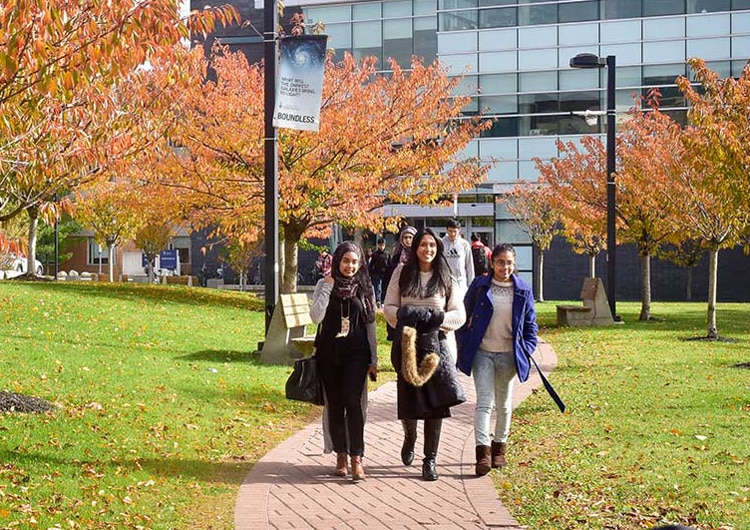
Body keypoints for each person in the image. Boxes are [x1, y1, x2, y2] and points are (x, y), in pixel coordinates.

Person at [383, 228, 466, 481]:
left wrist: (437, 319)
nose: (427, 249)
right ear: (415, 247)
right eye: (422, 245)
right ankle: (410, 435)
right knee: (409, 403)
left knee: (435, 405)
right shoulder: (402, 272)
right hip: (407, 346)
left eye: (432, 245)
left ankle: (429, 460)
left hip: (437, 347)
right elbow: (388, 307)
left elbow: (459, 314)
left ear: (437, 248)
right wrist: (407, 317)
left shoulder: (445, 275)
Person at [456, 243, 538, 476]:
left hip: (508, 355)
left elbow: (531, 325)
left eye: (509, 262)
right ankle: (482, 454)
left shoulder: (523, 290)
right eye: (500, 262)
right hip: (482, 353)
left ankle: (499, 449)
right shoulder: (480, 286)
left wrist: (527, 348)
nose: (505, 267)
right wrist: (465, 342)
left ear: (514, 264)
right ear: (492, 263)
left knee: (503, 404)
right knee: (484, 402)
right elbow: (463, 314)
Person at [310, 242, 379, 481]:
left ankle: (356, 458)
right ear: (338, 261)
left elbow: (371, 324)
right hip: (329, 353)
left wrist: (374, 358)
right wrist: (328, 287)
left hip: (356, 354)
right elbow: (316, 316)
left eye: (354, 262)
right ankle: (340, 455)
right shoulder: (323, 284)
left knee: (353, 402)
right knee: (336, 404)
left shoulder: (365, 287)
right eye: (346, 261)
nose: (350, 266)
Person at [384, 225, 416, 340]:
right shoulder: (396, 257)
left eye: (411, 237)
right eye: (405, 237)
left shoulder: (418, 255)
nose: (408, 240)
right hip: (398, 293)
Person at [441, 219, 474, 294]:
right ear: (446, 230)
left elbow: (469, 265)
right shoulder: (441, 243)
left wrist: (471, 285)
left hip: (461, 282)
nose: (452, 234)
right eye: (450, 231)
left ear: (459, 230)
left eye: (455, 231)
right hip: (445, 281)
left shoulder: (464, 244)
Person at [368, 238, 390, 307]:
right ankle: (378, 300)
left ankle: (383, 300)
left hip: (385, 273)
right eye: (380, 245)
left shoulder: (387, 254)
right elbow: (371, 264)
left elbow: (390, 264)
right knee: (378, 287)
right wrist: (370, 273)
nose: (381, 247)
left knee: (384, 287)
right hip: (377, 273)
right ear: (378, 245)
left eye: (383, 245)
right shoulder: (375, 254)